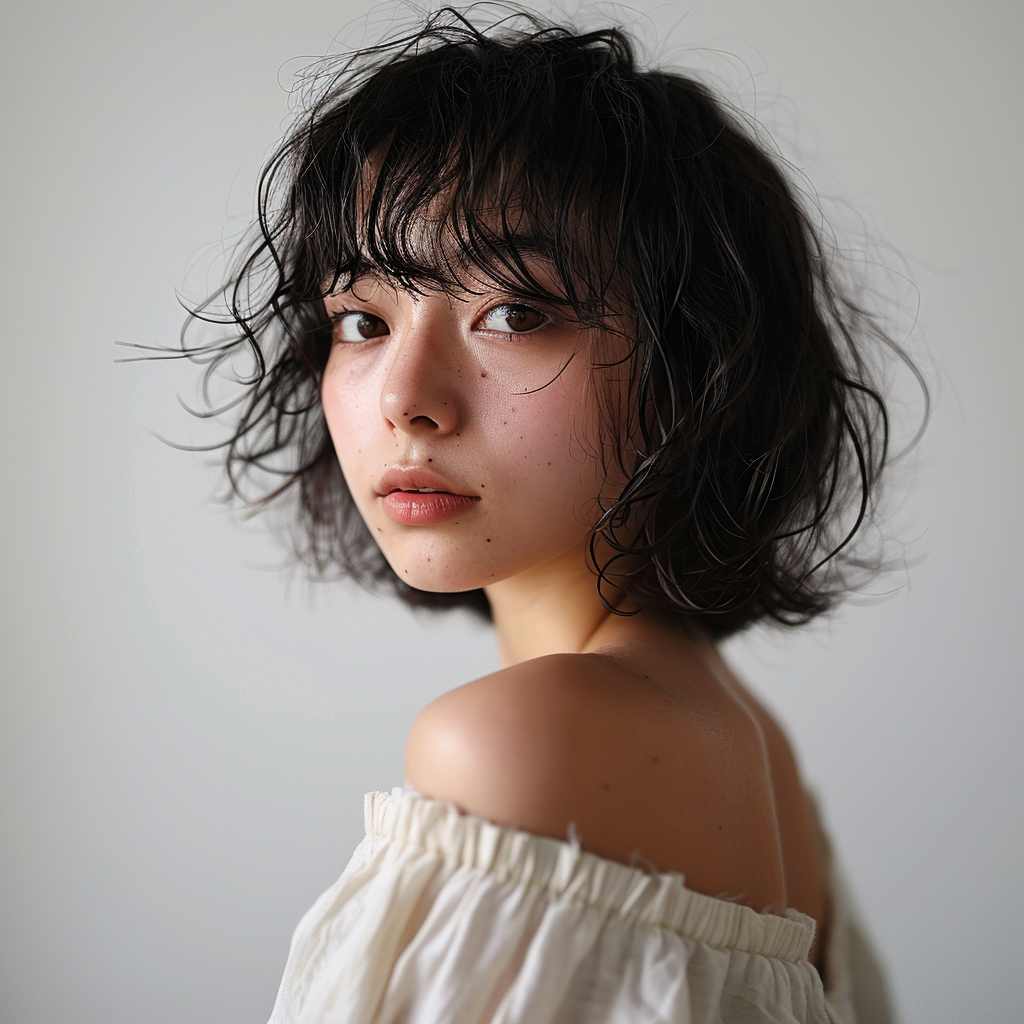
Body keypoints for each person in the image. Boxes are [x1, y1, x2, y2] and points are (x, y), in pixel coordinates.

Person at [184, 7, 918, 1021]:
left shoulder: (522, 745)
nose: (406, 397)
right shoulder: (749, 743)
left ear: (692, 369)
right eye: (361, 319)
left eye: (513, 312)